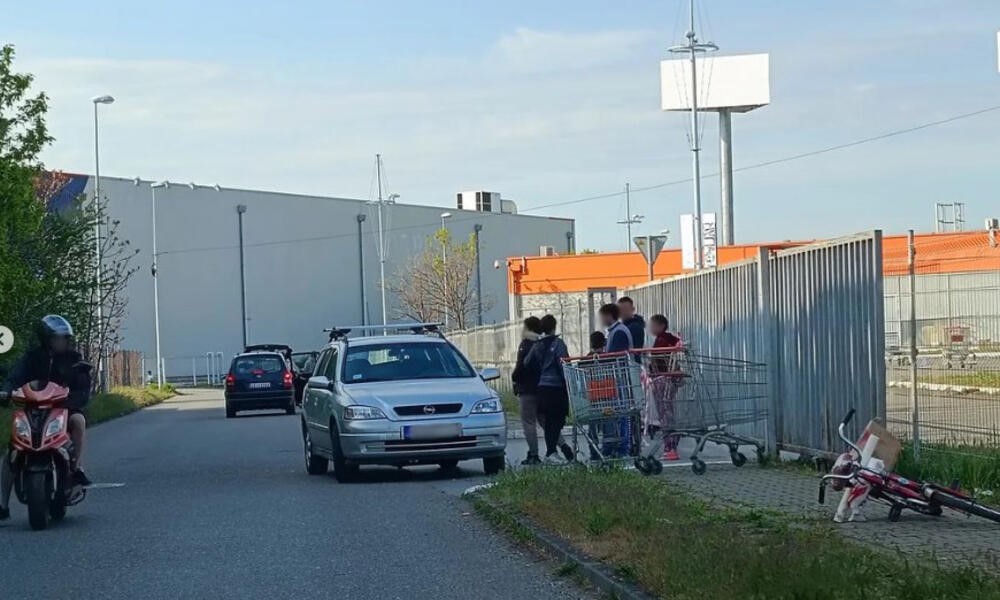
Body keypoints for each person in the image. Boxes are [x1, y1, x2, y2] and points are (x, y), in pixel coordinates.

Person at [0, 315, 93, 521]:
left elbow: (83, 387)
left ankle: (76, 467)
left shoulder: (74, 360)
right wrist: (6, 391)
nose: (64, 341)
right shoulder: (31, 358)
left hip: (64, 409)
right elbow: (15, 377)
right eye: (59, 338)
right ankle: (3, 505)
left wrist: (74, 400)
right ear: (47, 339)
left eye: (66, 338)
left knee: (79, 421)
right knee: (11, 451)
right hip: (33, 410)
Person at [525, 314, 573, 465]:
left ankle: (552, 452)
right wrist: (569, 383)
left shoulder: (537, 345)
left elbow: (527, 362)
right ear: (554, 327)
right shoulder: (558, 344)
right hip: (556, 387)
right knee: (556, 421)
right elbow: (564, 365)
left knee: (549, 421)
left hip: (542, 387)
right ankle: (551, 452)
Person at [646, 314, 683, 461]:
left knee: (665, 413)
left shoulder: (662, 341)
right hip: (668, 380)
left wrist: (652, 371)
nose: (650, 328)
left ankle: (670, 445)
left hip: (662, 380)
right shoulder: (669, 340)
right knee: (668, 412)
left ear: (661, 326)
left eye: (653, 325)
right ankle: (671, 443)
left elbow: (659, 361)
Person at [511, 317, 543, 465]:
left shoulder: (525, 344)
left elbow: (520, 367)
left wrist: (514, 378)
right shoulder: (541, 344)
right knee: (545, 421)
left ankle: (534, 454)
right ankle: (563, 446)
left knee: (528, 422)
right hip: (542, 388)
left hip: (527, 389)